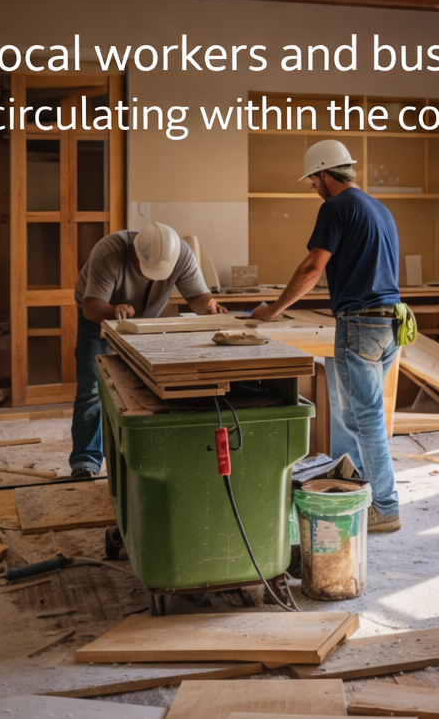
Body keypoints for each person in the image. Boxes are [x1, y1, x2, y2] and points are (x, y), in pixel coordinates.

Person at [251, 139, 406, 532]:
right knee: (351, 414)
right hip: (390, 324)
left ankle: (385, 508)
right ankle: (351, 489)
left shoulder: (335, 208)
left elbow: (311, 268)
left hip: (359, 324)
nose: (313, 188)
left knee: (365, 419)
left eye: (313, 181)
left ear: (324, 175)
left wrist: (274, 309)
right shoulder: (379, 208)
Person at [69, 222, 225, 478]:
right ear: (135, 253)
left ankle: (132, 459)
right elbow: (91, 306)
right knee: (92, 388)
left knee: (141, 387)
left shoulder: (181, 254)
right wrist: (115, 311)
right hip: (100, 316)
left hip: (146, 322)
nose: (153, 278)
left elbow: (197, 296)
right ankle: (85, 462)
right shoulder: (109, 252)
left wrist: (207, 306)